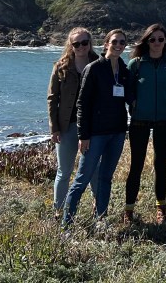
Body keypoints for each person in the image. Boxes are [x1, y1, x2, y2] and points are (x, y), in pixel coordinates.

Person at [61, 29, 133, 227]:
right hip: (96, 134)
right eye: (115, 41)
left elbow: (130, 97)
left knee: (106, 178)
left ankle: (100, 219)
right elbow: (82, 104)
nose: (118, 45)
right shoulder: (93, 69)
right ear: (106, 43)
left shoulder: (124, 70)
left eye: (122, 42)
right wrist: (83, 135)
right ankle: (67, 224)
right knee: (82, 179)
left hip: (117, 132)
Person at [124, 23, 166, 224]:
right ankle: (129, 209)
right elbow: (127, 90)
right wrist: (133, 103)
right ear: (146, 41)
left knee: (160, 165)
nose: (156, 42)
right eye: (152, 39)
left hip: (165, 119)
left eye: (160, 39)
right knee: (136, 166)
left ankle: (161, 208)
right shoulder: (136, 64)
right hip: (140, 120)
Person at [47, 27, 101, 214]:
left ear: (90, 43)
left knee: (94, 170)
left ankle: (99, 211)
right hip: (67, 126)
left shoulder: (99, 64)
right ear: (70, 45)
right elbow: (52, 99)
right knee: (64, 171)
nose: (81, 47)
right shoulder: (61, 67)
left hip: (92, 127)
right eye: (76, 44)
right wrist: (54, 128)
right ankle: (59, 211)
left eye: (84, 42)